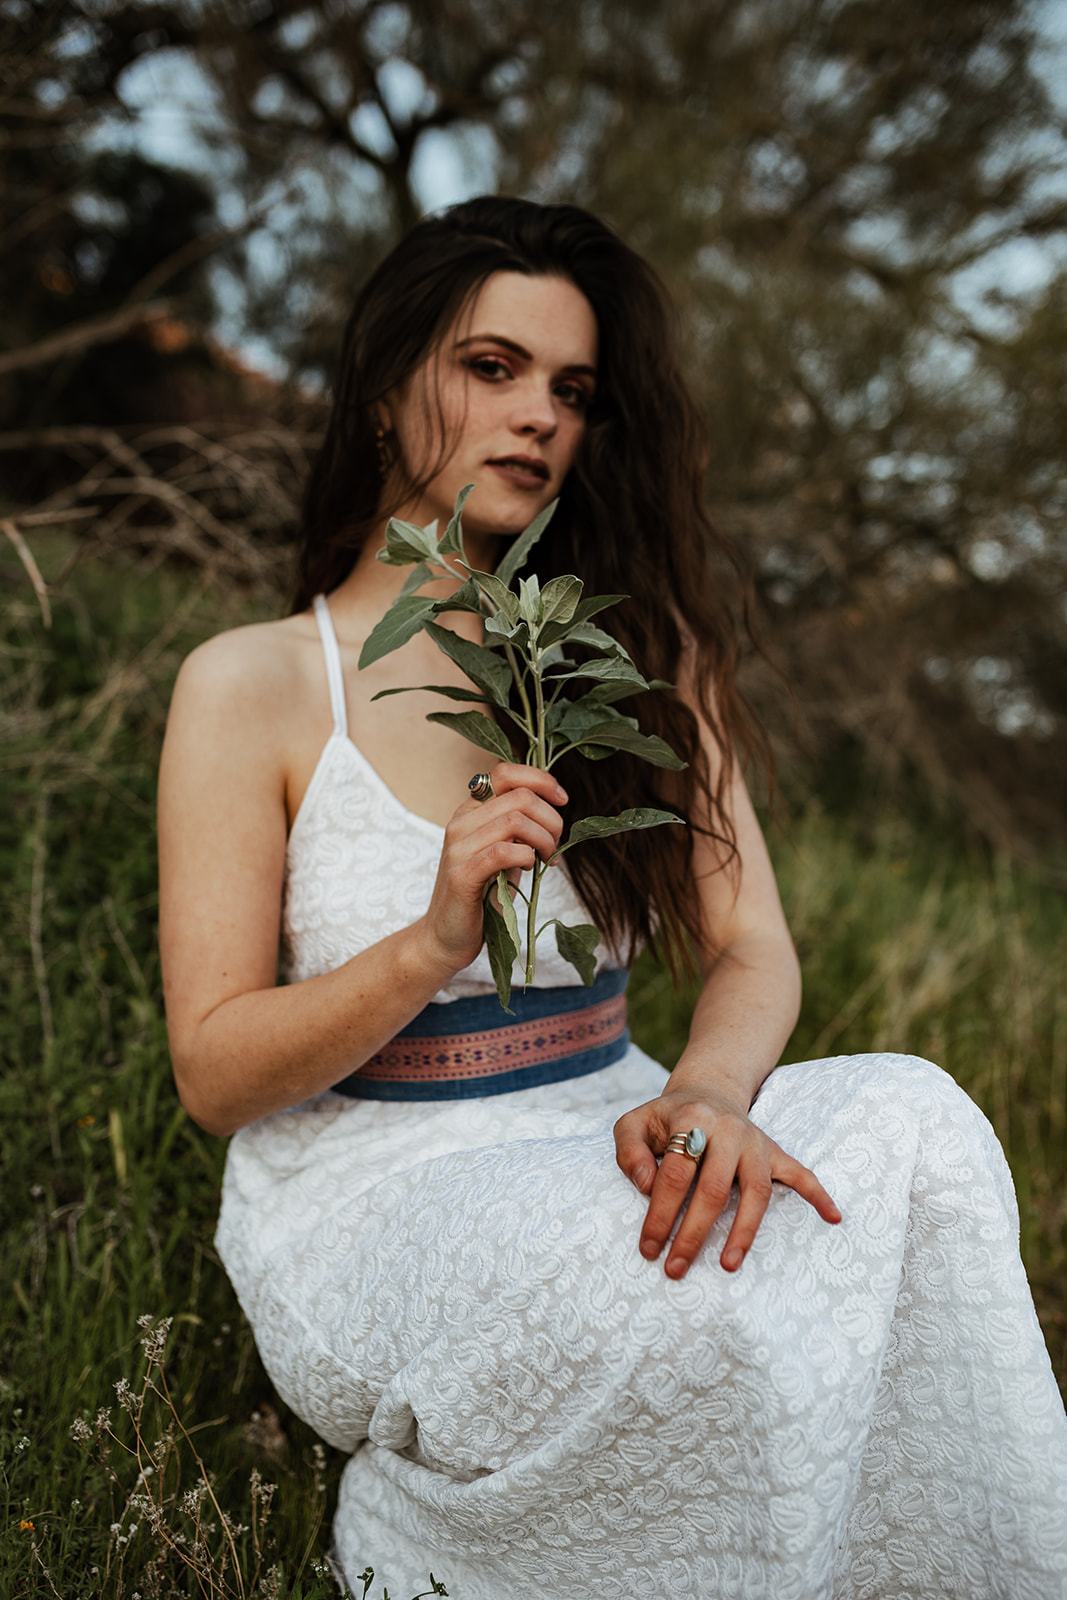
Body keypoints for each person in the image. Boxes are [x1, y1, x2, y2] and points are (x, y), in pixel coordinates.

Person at [156, 195, 1067, 1600]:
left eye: (572, 390)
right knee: (722, 1286)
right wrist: (432, 939)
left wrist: (708, 1097)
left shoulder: (638, 654)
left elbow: (752, 942)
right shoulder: (253, 683)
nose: (538, 416)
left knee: (917, 1126)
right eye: (492, 367)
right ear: (386, 392)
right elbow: (215, 1076)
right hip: (381, 1189)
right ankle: (437, 1545)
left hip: (613, 1120)